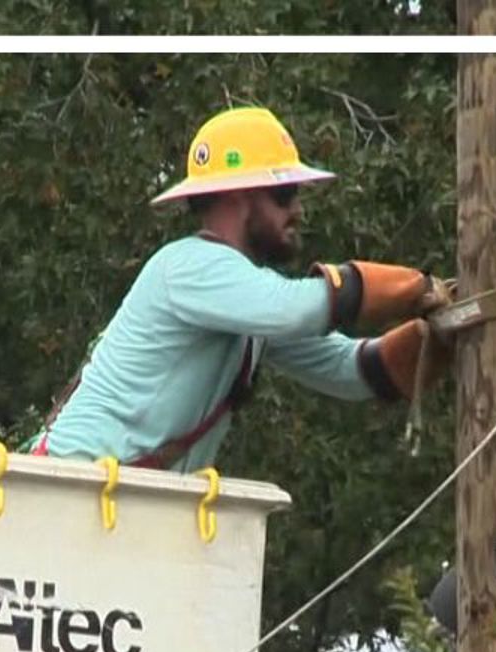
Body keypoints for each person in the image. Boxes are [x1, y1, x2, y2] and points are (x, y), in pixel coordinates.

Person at [29, 105, 454, 473]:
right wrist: (418, 286)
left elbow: (351, 371)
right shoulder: (189, 266)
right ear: (236, 197)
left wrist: (437, 336)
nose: (298, 209)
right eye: (284, 193)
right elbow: (298, 309)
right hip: (66, 490)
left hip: (115, 502)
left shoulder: (247, 312)